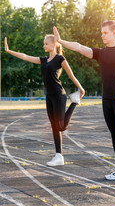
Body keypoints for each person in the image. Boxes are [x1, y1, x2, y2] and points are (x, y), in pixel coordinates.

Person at [53, 21, 115, 180]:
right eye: (101, 32)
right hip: (106, 100)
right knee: (114, 134)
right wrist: (60, 41)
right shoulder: (101, 53)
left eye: (105, 33)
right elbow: (80, 47)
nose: (102, 35)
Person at [4, 35, 85, 167]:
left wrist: (81, 89)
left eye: (46, 44)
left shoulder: (60, 59)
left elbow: (71, 75)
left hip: (59, 95)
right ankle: (59, 155)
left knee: (62, 126)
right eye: (43, 43)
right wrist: (9, 50)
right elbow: (25, 56)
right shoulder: (43, 60)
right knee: (54, 126)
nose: (44, 46)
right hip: (49, 96)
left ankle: (74, 102)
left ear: (53, 45)